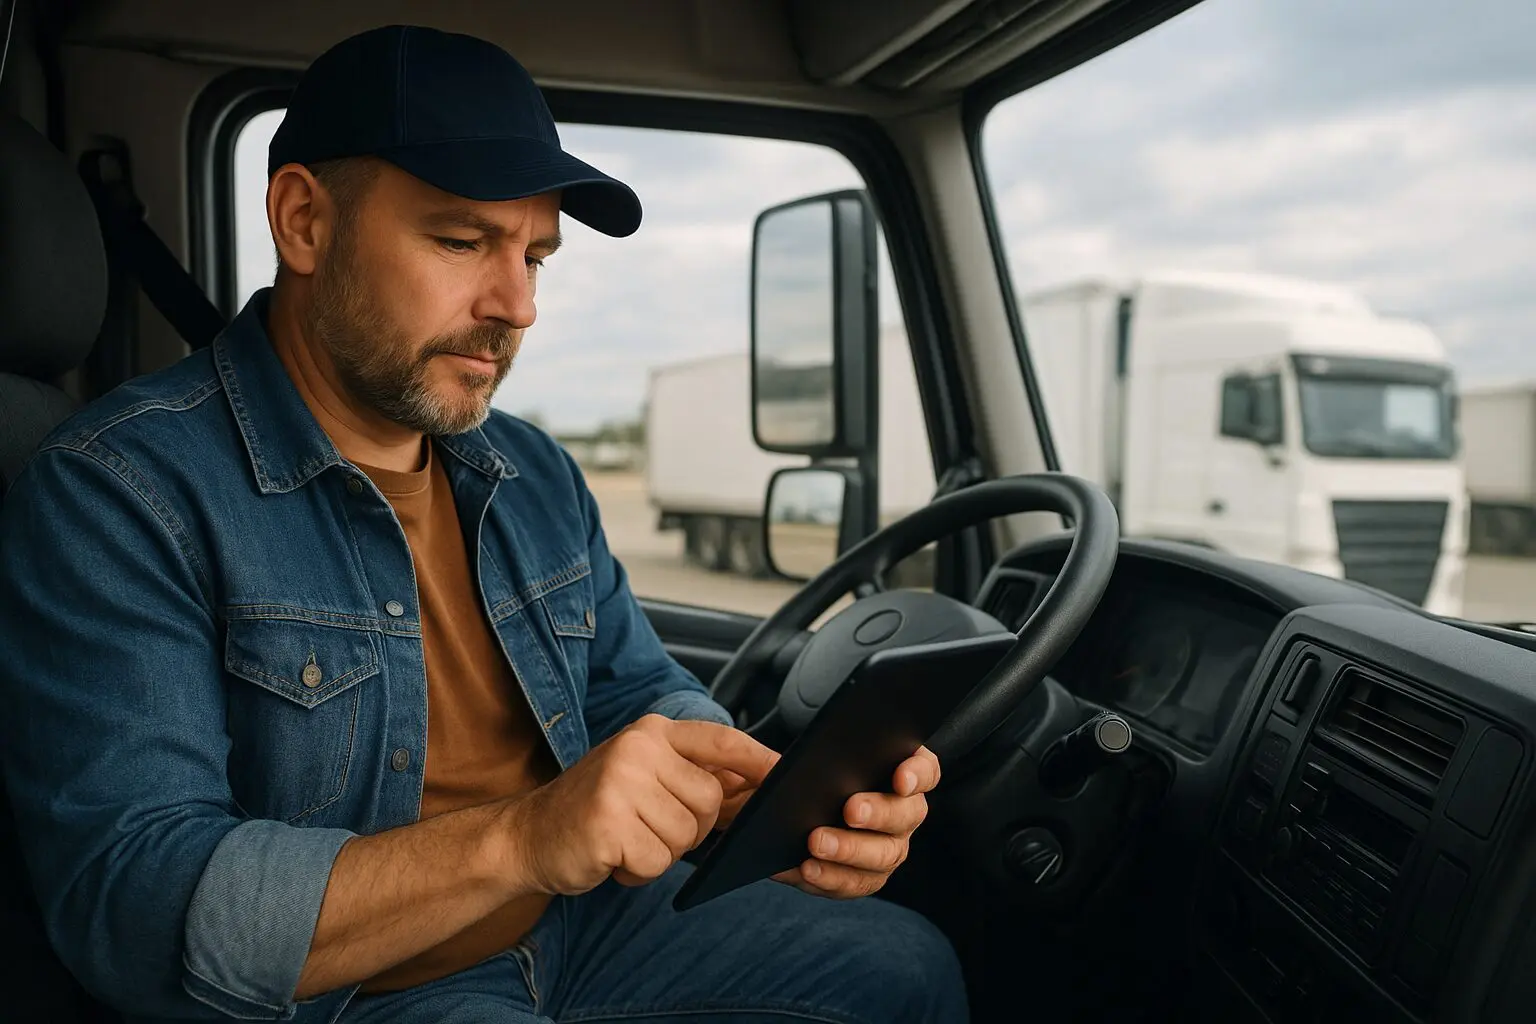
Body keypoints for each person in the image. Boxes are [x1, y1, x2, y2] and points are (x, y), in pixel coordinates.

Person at [0, 23, 968, 1024]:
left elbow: (632, 687)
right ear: (303, 222)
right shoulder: (118, 492)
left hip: (575, 926)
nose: (517, 306)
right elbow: (137, 904)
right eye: (461, 240)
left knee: (906, 965)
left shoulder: (532, 469)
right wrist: (525, 837)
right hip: (349, 997)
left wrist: (749, 799)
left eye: (536, 257)